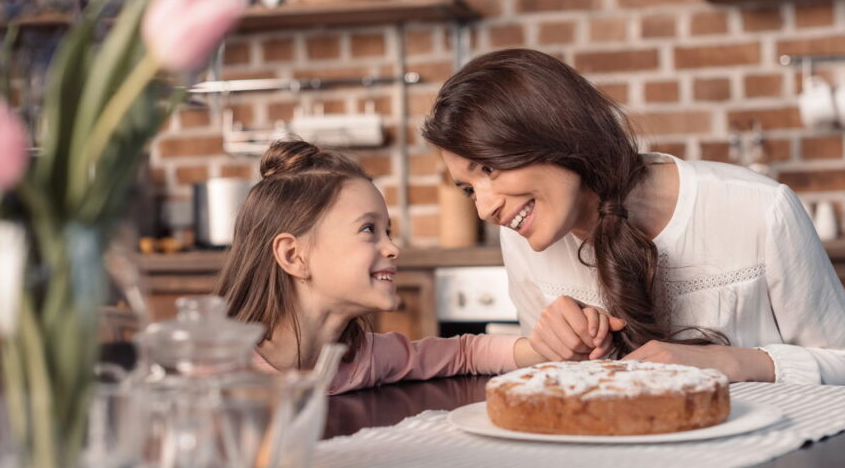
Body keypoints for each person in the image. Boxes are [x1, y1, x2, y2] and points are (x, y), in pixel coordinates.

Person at [422, 48, 845, 387]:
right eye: (468, 188)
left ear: (551, 132)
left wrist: (730, 363)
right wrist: (558, 353)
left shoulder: (759, 209)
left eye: (489, 168)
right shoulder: (522, 237)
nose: (484, 208)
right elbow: (560, 392)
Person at [214, 140, 616, 395]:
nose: (392, 247)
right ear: (292, 256)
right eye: (368, 230)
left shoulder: (359, 359)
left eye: (387, 230)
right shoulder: (217, 370)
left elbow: (465, 353)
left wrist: (554, 347)